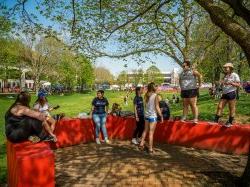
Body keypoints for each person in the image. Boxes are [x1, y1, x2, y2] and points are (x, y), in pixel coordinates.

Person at [213, 63, 241, 127]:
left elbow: (238, 84)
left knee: (231, 108)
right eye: (224, 67)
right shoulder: (226, 76)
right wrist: (222, 83)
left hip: (231, 93)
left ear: (230, 68)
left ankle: (230, 122)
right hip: (224, 93)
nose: (225, 69)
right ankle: (215, 120)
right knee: (219, 107)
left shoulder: (235, 75)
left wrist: (231, 83)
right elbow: (224, 84)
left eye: (226, 67)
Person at [139, 82, 163, 154]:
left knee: (145, 130)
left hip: (146, 115)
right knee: (151, 133)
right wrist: (161, 116)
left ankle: (141, 144)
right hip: (152, 116)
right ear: (153, 87)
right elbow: (157, 107)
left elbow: (146, 106)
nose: (156, 87)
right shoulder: (155, 95)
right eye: (155, 86)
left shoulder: (146, 95)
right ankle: (150, 149)